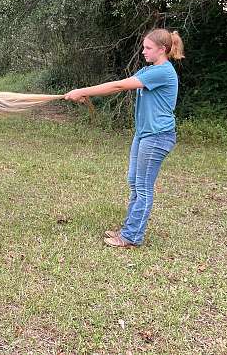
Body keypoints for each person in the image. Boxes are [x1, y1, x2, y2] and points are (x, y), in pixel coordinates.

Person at [64, 29, 184, 248]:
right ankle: (129, 228)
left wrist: (83, 90)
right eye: (144, 46)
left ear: (163, 50)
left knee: (143, 187)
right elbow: (122, 85)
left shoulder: (163, 72)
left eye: (148, 48)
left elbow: (119, 85)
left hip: (157, 137)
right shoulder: (150, 70)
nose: (143, 51)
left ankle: (131, 236)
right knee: (134, 182)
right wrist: (84, 94)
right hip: (144, 135)